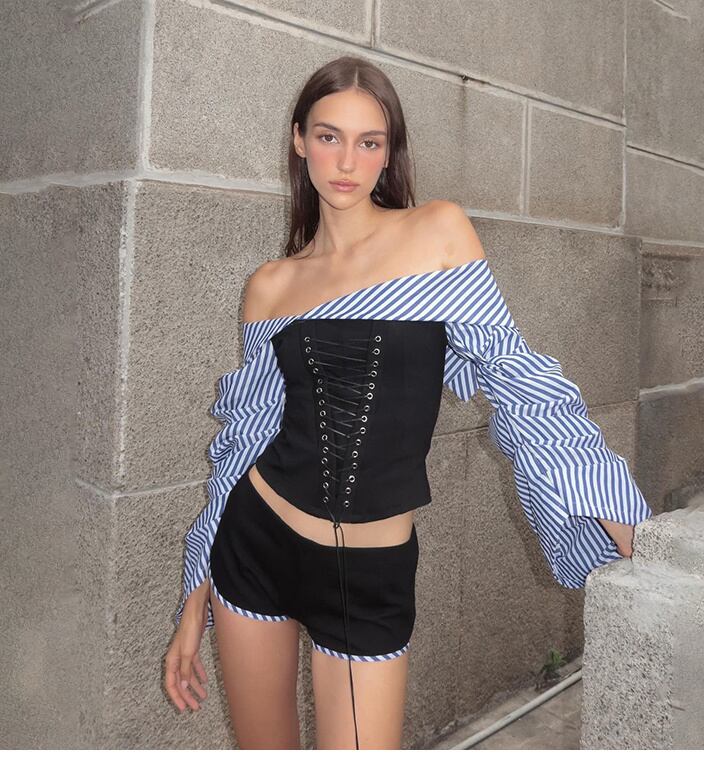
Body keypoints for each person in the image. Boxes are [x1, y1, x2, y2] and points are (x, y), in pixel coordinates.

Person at [164, 55, 652, 750]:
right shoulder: (271, 285)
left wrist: (629, 525)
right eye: (328, 137)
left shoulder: (436, 235)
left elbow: (521, 384)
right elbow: (247, 437)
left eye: (369, 142)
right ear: (299, 141)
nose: (347, 161)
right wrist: (196, 596)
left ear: (390, 152)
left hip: (369, 574)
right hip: (255, 546)